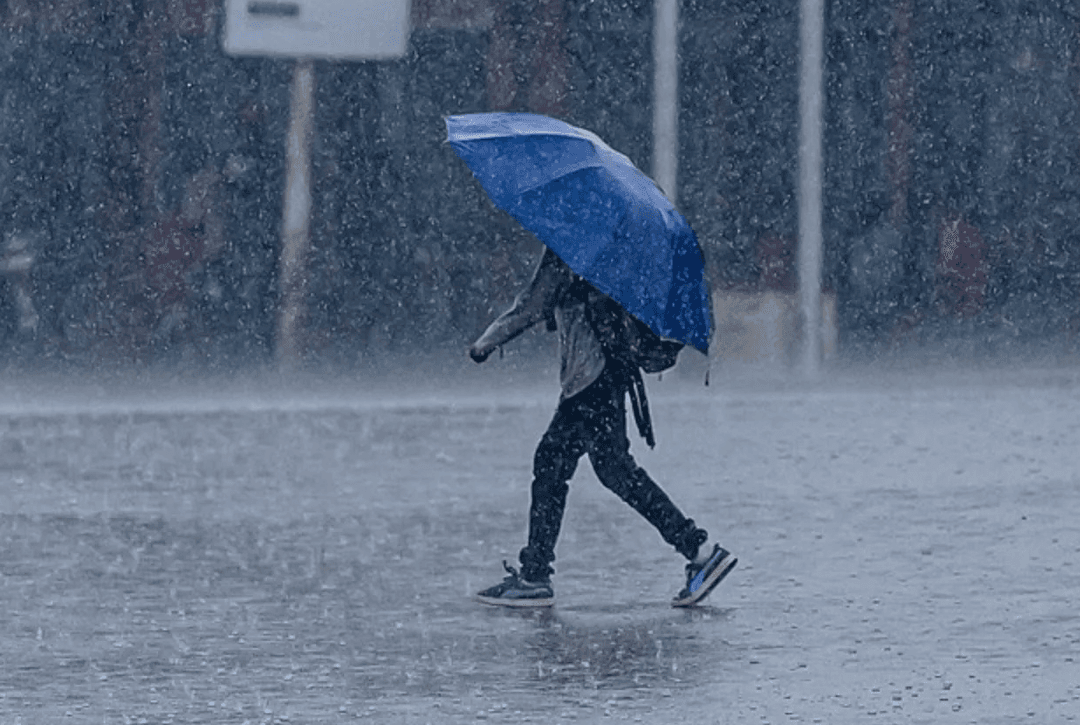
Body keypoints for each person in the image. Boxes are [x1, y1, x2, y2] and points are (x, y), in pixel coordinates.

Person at [468, 246, 736, 608]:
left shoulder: (570, 245)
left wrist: (485, 342)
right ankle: (700, 551)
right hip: (608, 374)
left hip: (589, 379)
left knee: (554, 463)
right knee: (613, 471)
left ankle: (535, 576)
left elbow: (532, 305)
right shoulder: (612, 249)